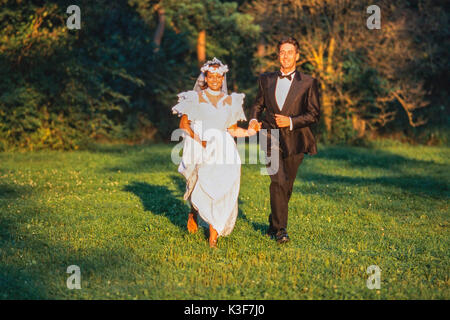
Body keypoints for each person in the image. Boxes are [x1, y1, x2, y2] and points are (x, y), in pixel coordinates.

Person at [172, 57, 254, 248]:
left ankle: (213, 237)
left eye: (219, 76)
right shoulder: (195, 99)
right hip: (203, 145)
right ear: (205, 78)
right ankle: (194, 211)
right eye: (211, 76)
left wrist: (250, 131)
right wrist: (199, 139)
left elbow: (232, 129)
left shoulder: (230, 101)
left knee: (221, 189)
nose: (215, 80)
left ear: (223, 78)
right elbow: (183, 125)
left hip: (225, 149)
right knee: (199, 185)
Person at [248, 37, 321, 244]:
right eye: (282, 52)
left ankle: (273, 223)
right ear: (278, 55)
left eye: (290, 52)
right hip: (269, 135)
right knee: (277, 180)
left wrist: (290, 121)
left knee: (287, 185)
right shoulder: (266, 79)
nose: (285, 55)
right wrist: (254, 119)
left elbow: (314, 115)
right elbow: (258, 105)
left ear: (297, 56)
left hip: (296, 138)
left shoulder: (308, 83)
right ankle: (281, 231)